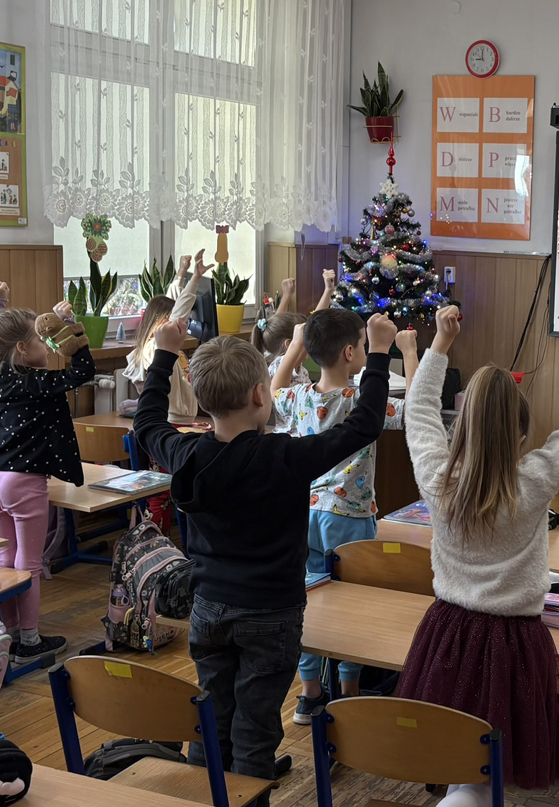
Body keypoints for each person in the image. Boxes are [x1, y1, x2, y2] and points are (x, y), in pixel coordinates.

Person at [133, 312, 398, 784]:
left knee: (211, 714)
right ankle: (248, 787)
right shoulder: (284, 456)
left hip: (208, 606)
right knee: (254, 729)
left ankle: (209, 789)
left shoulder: (186, 454)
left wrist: (164, 355)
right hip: (271, 614)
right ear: (260, 395)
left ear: (201, 399)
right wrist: (379, 353)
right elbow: (362, 427)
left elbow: (147, 420)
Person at [398, 303, 559, 803]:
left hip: (447, 634)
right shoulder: (531, 483)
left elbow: (419, 410)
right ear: (521, 437)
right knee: (483, 771)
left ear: (460, 427)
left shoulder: (438, 480)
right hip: (512, 642)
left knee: (462, 758)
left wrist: (440, 344)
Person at [275, 309, 416, 723]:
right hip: (349, 518)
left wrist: (296, 345)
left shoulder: (299, 397)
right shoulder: (359, 402)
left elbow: (274, 387)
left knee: (308, 602)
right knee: (356, 608)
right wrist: (407, 353)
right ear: (351, 353)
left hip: (305, 514)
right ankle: (350, 690)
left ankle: (309, 693)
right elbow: (416, 410)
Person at [0, 282, 96, 666]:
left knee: (5, 556)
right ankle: (29, 641)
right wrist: (68, 328)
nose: (48, 346)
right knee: (28, 562)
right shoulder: (36, 382)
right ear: (23, 350)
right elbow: (84, 369)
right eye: (43, 341)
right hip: (23, 482)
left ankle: (7, 634)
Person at [122, 249, 208, 421]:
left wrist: (181, 274)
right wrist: (195, 279)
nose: (183, 324)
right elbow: (178, 314)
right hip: (172, 418)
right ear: (163, 322)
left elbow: (174, 306)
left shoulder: (160, 344)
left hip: (180, 416)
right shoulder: (155, 346)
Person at [258, 269, 336, 432]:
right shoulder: (280, 364)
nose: (311, 340)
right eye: (305, 338)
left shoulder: (277, 353)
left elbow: (277, 326)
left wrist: (328, 291)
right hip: (292, 435)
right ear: (290, 344)